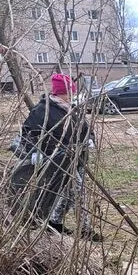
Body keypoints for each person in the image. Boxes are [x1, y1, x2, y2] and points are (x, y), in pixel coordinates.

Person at [14, 72, 102, 241]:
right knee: (78, 191)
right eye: (70, 92)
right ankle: (85, 230)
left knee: (68, 194)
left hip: (77, 158)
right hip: (57, 161)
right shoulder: (42, 110)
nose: (72, 95)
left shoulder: (72, 109)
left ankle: (54, 222)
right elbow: (28, 134)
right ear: (61, 92)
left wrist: (89, 138)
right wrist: (35, 152)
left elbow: (85, 129)